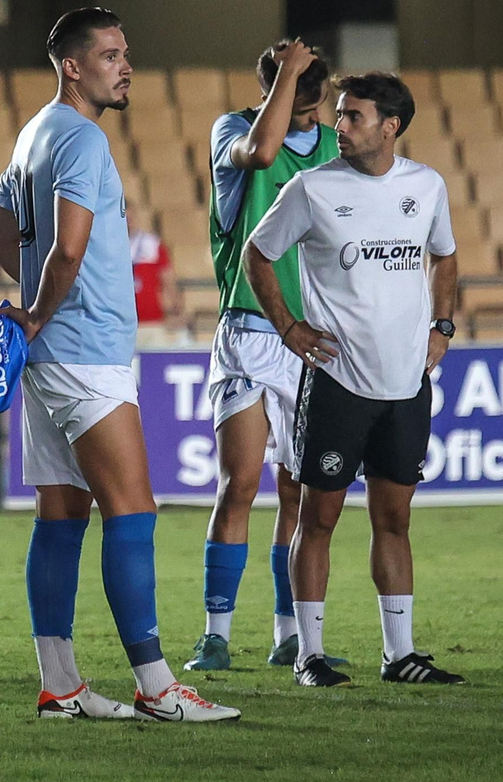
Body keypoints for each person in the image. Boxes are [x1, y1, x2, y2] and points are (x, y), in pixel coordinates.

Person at [0, 7, 240, 722]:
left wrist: (33, 312)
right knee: (133, 510)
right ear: (73, 64)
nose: (126, 65)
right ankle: (158, 687)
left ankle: (60, 684)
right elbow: (66, 249)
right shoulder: (82, 138)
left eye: (126, 53)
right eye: (111, 54)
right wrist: (39, 309)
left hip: (49, 357)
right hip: (84, 350)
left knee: (62, 513)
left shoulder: (33, 134)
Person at [243, 72, 464, 690]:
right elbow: (257, 255)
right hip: (337, 383)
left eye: (353, 116)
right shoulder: (311, 188)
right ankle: (309, 655)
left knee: (394, 522)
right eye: (339, 115)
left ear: (390, 127)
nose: (338, 126)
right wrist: (287, 326)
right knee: (318, 520)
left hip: (405, 388)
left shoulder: (426, 186)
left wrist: (441, 325)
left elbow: (445, 254)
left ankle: (400, 656)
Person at [183, 37, 341, 674]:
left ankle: (286, 634)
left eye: (316, 104)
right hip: (249, 333)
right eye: (302, 100)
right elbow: (265, 149)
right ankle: (215, 635)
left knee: (297, 492)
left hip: (312, 341)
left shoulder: (337, 148)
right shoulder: (234, 132)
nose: (314, 117)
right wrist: (291, 75)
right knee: (239, 484)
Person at [127, 201, 181, 335]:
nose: (128, 223)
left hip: (152, 321)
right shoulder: (109, 247)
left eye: (130, 218)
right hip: (121, 324)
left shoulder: (152, 245)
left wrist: (177, 309)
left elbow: (168, 279)